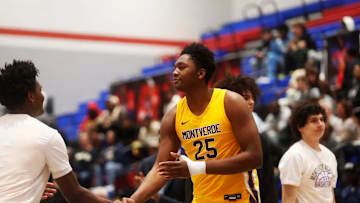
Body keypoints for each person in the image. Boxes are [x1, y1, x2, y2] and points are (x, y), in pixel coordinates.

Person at [122, 43, 262, 203]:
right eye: (174, 67)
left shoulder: (231, 102)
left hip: (239, 198)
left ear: (200, 73)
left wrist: (197, 167)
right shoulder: (172, 116)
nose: (175, 72)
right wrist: (133, 200)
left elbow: (254, 157)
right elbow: (161, 169)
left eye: (182, 67)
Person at [0, 60, 112, 203]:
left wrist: (27, 188)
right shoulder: (47, 135)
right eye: (40, 91)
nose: (43, 97)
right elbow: (76, 195)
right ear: (31, 96)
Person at [215, 74, 278, 203]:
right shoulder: (212, 138)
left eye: (252, 97)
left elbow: (267, 184)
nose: (251, 102)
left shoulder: (259, 139)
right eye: (245, 98)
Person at [278, 102, 338, 203]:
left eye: (321, 119)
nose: (320, 124)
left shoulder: (330, 155)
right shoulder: (294, 156)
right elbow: (288, 199)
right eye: (314, 120)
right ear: (300, 127)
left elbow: (330, 195)